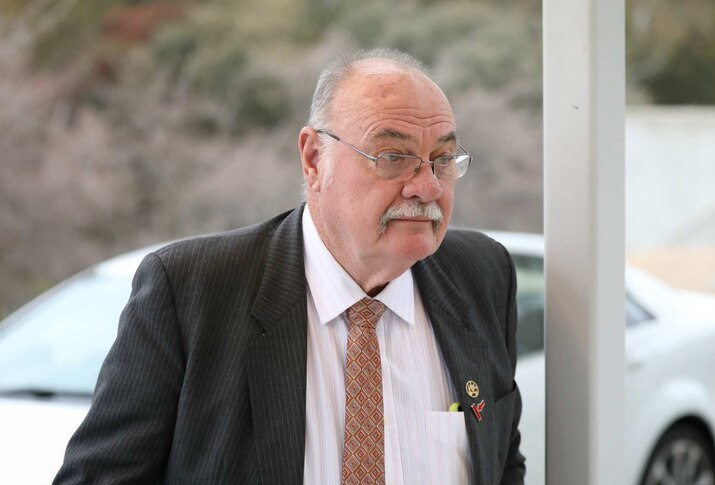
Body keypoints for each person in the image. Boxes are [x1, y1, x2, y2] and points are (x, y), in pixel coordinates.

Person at [54, 48, 525, 485]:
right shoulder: (191, 289)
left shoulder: (481, 275)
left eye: (442, 159)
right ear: (314, 158)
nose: (425, 186)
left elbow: (500, 460)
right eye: (392, 157)